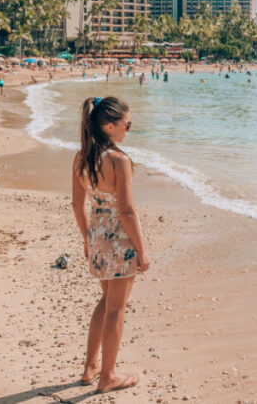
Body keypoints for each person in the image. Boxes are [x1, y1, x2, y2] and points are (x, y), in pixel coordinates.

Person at [71, 96, 150, 393]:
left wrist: (87, 239)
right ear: (109, 126)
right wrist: (142, 249)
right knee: (117, 308)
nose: (128, 129)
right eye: (127, 125)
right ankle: (108, 376)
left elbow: (78, 205)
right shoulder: (119, 161)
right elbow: (127, 211)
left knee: (106, 302)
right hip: (120, 240)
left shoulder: (81, 158)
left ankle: (90, 366)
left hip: (97, 236)